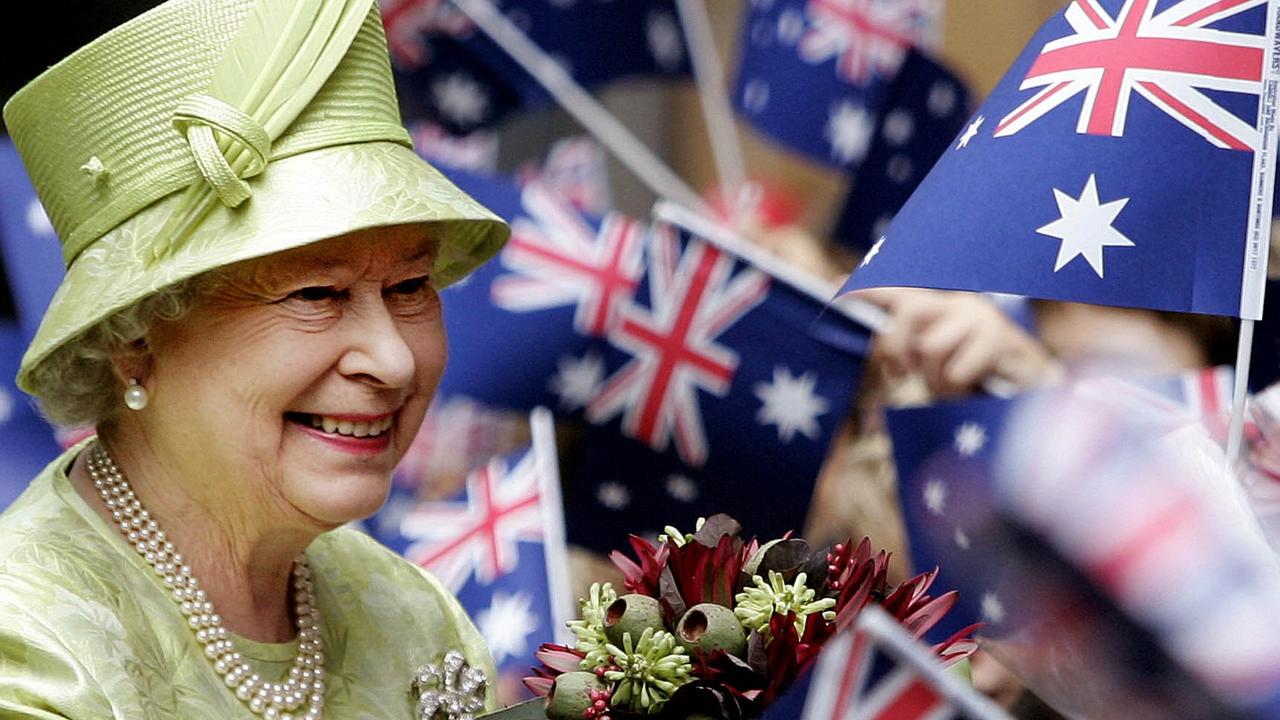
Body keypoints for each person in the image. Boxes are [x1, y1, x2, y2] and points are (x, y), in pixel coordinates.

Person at [0, 1, 511, 717]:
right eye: (316, 294)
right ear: (134, 340)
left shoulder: (414, 619)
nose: (394, 360)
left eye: (410, 286)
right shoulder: (28, 656)